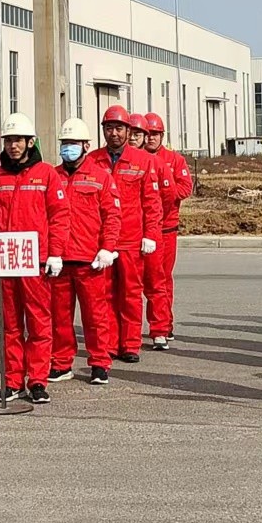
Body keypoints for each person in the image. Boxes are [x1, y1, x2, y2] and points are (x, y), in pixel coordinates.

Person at [0, 113, 70, 404]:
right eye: (8, 141)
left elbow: (59, 216)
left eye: (18, 140)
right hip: (6, 261)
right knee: (10, 325)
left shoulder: (46, 174)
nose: (13, 146)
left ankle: (38, 381)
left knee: (39, 323)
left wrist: (56, 253)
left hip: (35, 262)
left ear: (30, 142)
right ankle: (13, 382)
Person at [47, 117, 120, 384]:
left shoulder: (101, 177)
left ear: (86, 146)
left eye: (74, 143)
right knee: (59, 317)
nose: (69, 148)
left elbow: (112, 216)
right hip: (59, 260)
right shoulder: (51, 176)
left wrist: (107, 248)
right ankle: (61, 363)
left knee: (95, 316)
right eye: (65, 143)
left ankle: (100, 363)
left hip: (90, 261)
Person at [98, 103, 163, 363]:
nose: (114, 133)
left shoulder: (143, 161)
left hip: (131, 240)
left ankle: (130, 344)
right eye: (109, 128)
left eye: (119, 128)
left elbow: (152, 202)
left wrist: (151, 234)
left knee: (131, 293)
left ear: (128, 131)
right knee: (104, 294)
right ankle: (110, 344)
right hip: (102, 241)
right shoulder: (92, 161)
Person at [141, 112, 193, 350]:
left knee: (161, 279)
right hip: (140, 229)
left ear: (162, 135)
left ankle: (164, 325)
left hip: (166, 228)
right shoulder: (136, 160)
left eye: (155, 134)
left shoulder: (174, 160)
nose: (151, 138)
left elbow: (185, 187)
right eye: (148, 134)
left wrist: (166, 193)